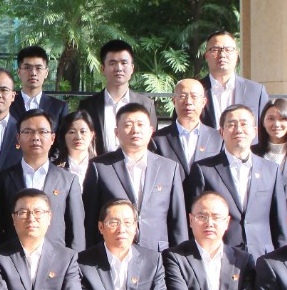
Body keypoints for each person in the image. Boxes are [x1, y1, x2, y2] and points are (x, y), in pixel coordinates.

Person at [185, 105, 287, 257]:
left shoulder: (271, 170)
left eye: (244, 124)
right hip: (221, 256)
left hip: (263, 256)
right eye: (232, 124)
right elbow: (194, 218)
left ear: (255, 131)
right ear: (222, 132)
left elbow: (279, 221)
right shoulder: (204, 169)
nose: (239, 129)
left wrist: (282, 258)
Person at [85, 102, 187, 252]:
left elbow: (178, 221)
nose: (135, 130)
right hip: (114, 251)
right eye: (128, 125)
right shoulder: (100, 167)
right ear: (116, 132)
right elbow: (90, 219)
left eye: (140, 124)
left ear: (151, 131)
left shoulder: (169, 168)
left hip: (158, 253)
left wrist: (180, 257)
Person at [0, 110, 85, 251]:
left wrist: (74, 262)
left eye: (42, 132)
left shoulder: (69, 181)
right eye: (28, 132)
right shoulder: (1, 180)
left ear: (52, 138)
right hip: (13, 258)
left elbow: (76, 232)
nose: (35, 137)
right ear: (18, 138)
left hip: (57, 259)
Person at [79, 40, 153, 156]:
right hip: (98, 165)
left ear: (132, 68)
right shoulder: (87, 106)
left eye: (124, 63)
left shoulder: (146, 105)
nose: (119, 68)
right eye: (112, 63)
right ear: (103, 68)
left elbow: (152, 144)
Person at [199, 31, 271, 133]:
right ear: (206, 55)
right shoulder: (194, 91)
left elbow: (265, 129)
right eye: (215, 50)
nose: (222, 54)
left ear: (236, 55)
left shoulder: (256, 91)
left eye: (228, 50)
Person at [150, 79, 224, 174]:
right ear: (174, 101)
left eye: (194, 96)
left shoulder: (218, 138)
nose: (188, 102)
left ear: (203, 102)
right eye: (182, 96)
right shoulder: (157, 139)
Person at [257, 98, 287, 197]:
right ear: (263, 122)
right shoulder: (252, 153)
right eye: (271, 118)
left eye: (282, 119)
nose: (276, 124)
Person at [12, 45, 68, 124]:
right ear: (19, 72)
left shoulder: (59, 107)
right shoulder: (8, 104)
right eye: (27, 68)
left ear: (46, 73)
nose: (33, 73)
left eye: (38, 68)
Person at [53, 109, 100, 197]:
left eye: (83, 131)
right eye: (72, 132)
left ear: (92, 135)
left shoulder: (101, 168)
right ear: (64, 136)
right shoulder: (54, 169)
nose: (78, 137)